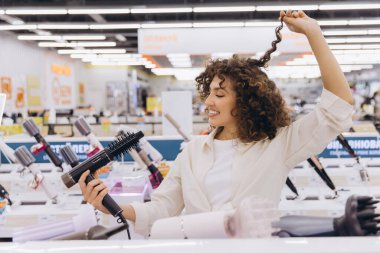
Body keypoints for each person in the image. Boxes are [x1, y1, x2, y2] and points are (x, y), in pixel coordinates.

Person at [79, 10, 354, 237]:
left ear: (246, 101)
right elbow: (161, 210)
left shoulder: (278, 145)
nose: (208, 102)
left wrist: (314, 34)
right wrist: (108, 205)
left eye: (219, 94)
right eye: (208, 93)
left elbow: (336, 108)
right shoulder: (192, 152)